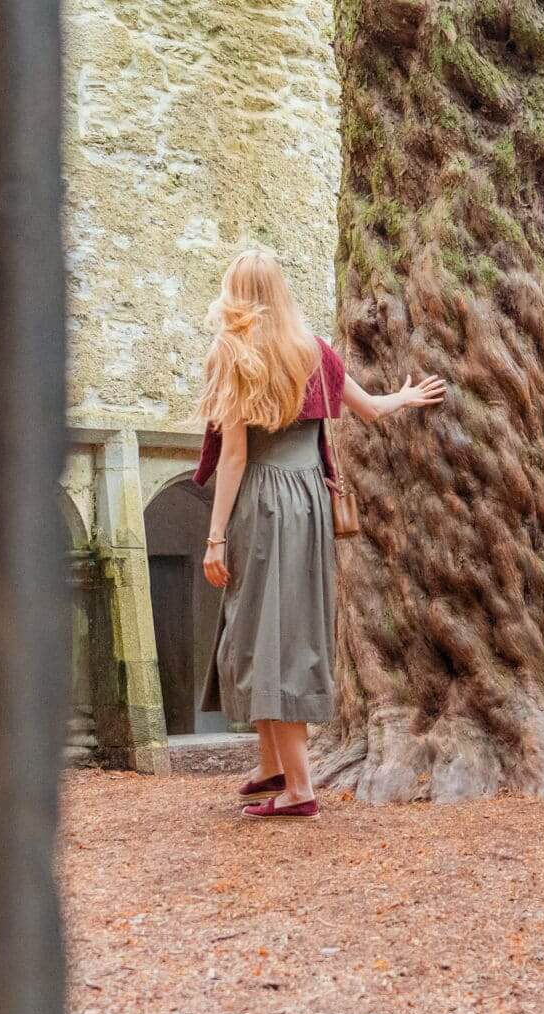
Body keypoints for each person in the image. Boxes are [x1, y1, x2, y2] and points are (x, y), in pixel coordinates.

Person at [192, 251, 445, 820]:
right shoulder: (314, 350)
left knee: (267, 634)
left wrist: (214, 537)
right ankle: (271, 768)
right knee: (280, 627)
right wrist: (406, 397)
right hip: (308, 501)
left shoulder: (232, 354)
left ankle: (300, 789)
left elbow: (234, 457)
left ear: (237, 292)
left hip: (263, 499)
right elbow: (370, 409)